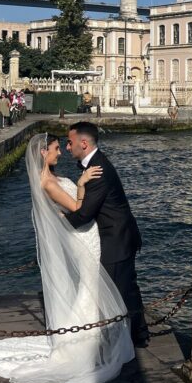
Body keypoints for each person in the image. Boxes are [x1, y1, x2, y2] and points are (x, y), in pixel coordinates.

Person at [0, 133, 132, 383]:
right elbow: (77, 209)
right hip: (83, 237)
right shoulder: (47, 181)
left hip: (84, 235)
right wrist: (81, 184)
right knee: (90, 284)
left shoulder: (47, 178)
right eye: (56, 148)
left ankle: (88, 337)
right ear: (42, 153)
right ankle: (84, 342)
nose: (61, 152)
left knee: (88, 286)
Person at [64, 121, 149, 347]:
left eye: (69, 142)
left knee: (120, 290)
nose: (67, 147)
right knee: (127, 287)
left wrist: (60, 220)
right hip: (119, 235)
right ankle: (138, 333)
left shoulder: (98, 171)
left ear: (83, 143)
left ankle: (135, 337)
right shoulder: (94, 164)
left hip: (116, 239)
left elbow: (84, 215)